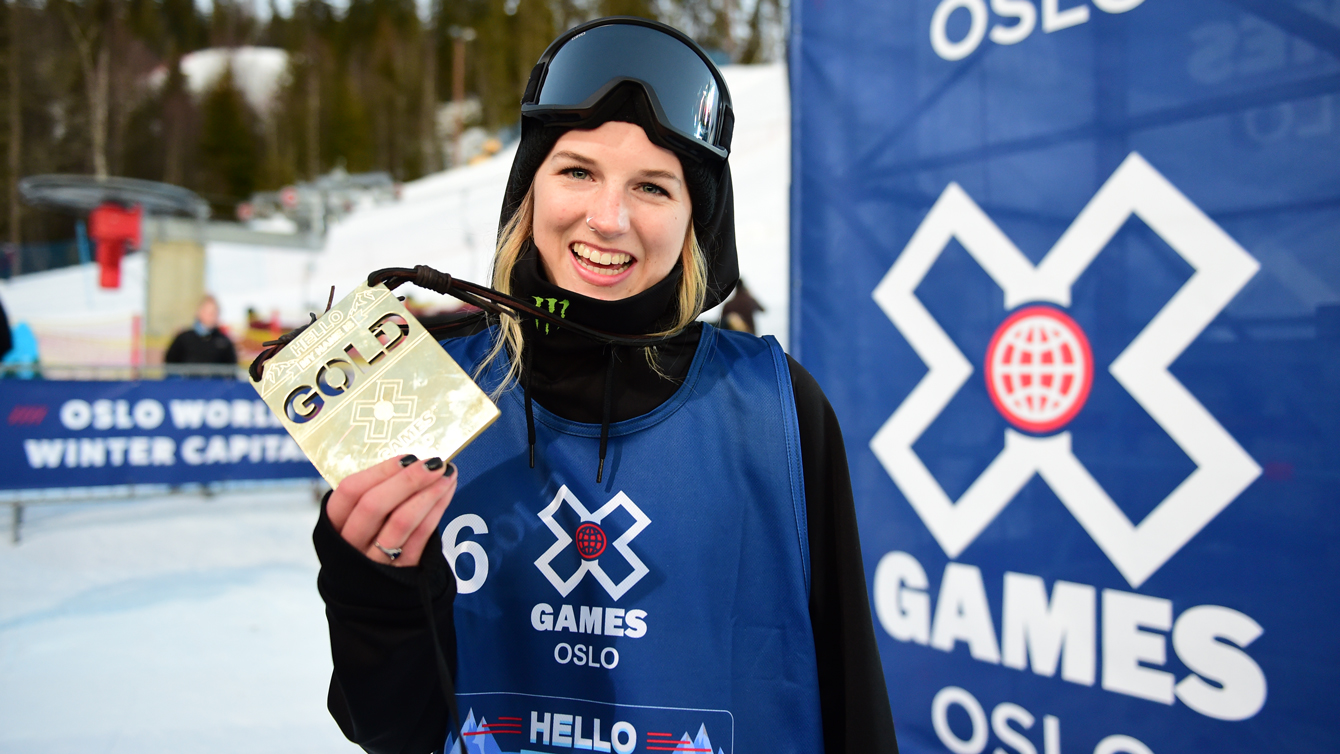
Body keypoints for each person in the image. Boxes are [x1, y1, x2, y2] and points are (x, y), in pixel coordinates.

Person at [312, 17, 898, 754]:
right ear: (530, 191)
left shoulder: (775, 409)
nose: (609, 218)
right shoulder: (433, 391)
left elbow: (853, 701)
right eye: (578, 171)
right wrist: (372, 591)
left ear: (697, 222)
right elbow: (395, 730)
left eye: (653, 186)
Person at [164, 295, 237, 366]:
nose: (211, 316)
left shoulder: (224, 342)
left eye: (214, 313)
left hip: (215, 378)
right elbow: (170, 364)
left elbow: (231, 368)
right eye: (208, 312)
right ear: (198, 312)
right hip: (188, 378)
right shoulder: (183, 338)